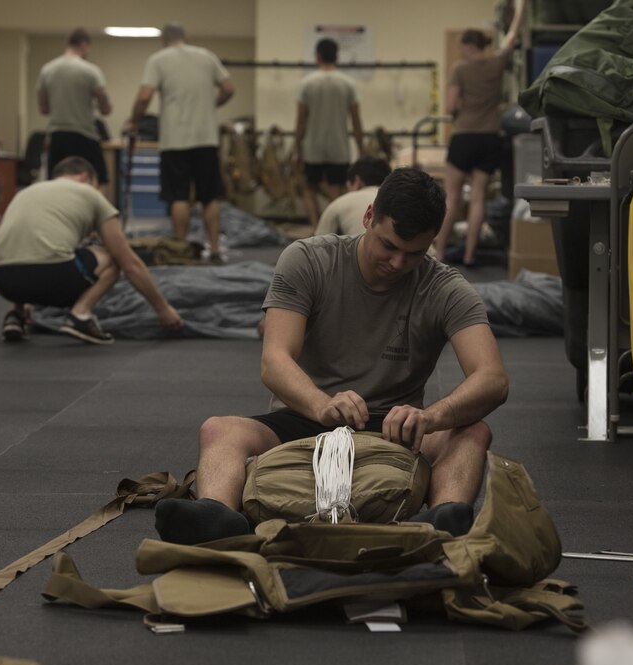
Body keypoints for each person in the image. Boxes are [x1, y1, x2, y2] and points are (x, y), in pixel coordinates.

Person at [154, 167, 509, 545]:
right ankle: (218, 516)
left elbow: (493, 379)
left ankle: (445, 520)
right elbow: (275, 361)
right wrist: (322, 405)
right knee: (218, 429)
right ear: (369, 216)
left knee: (473, 431)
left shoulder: (444, 287)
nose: (398, 263)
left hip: (395, 427)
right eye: (388, 246)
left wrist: (430, 416)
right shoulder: (307, 260)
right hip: (305, 415)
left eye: (414, 254)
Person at [0, 156, 183, 345]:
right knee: (113, 258)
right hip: (51, 278)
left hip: (2, 280)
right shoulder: (89, 194)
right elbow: (130, 264)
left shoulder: (26, 192)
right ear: (85, 178)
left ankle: (16, 315)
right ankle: (81, 314)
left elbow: (21, 243)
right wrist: (163, 308)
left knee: (25, 249)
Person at [124, 23, 235, 262]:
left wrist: (133, 121)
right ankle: (214, 250)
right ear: (185, 37)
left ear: (163, 41)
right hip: (206, 138)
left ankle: (181, 249)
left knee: (178, 196)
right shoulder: (206, 56)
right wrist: (210, 106)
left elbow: (144, 97)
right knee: (210, 196)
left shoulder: (159, 59)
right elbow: (228, 88)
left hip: (175, 140)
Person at [434, 0, 527, 265]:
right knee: (477, 199)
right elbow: (511, 37)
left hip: (464, 135)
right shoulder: (496, 63)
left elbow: (451, 107)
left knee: (452, 196)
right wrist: (521, 10)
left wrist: (459, 109)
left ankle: (439, 253)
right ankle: (470, 254)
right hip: (489, 137)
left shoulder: (460, 69)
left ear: (465, 46)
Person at [295, 38, 365, 229]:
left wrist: (296, 147)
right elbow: (356, 121)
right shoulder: (348, 84)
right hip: (339, 147)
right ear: (337, 56)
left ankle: (317, 229)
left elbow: (301, 120)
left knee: (309, 189)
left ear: (317, 56)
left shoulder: (307, 83)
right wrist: (361, 149)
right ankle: (336, 231)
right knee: (336, 190)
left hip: (312, 147)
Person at [37, 28, 113, 198]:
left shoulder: (47, 70)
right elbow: (105, 109)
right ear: (84, 45)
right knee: (100, 180)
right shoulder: (91, 71)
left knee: (56, 183)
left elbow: (43, 109)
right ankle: (94, 218)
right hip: (84, 134)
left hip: (58, 135)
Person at [315, 156, 391, 236]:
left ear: (357, 181)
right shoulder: (395, 201)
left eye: (347, 187)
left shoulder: (340, 203)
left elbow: (317, 243)